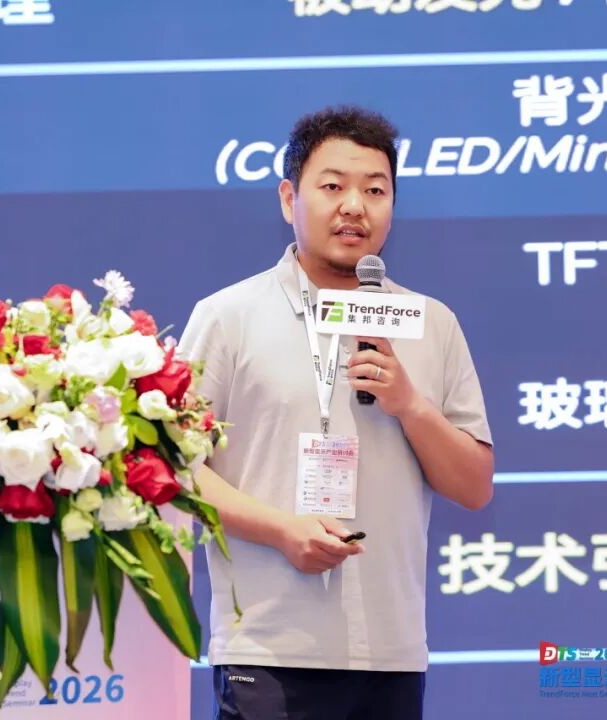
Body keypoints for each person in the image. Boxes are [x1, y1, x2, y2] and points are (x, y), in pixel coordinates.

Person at [178, 105, 494, 719]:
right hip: (268, 646)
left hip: (390, 652)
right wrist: (281, 530)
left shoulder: (431, 323)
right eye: (332, 187)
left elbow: (475, 486)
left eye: (375, 190)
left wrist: (409, 405)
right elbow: (175, 472)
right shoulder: (227, 316)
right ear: (288, 199)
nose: (355, 206)